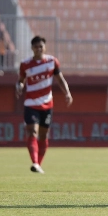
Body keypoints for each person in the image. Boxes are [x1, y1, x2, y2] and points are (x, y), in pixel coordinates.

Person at [16, 35, 73, 174]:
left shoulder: (52, 62)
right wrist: (19, 86)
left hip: (47, 104)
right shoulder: (25, 64)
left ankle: (38, 165)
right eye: (36, 47)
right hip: (31, 103)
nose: (38, 49)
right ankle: (35, 162)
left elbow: (60, 79)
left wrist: (67, 93)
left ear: (44, 47)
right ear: (32, 48)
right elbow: (20, 80)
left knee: (43, 135)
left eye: (41, 46)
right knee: (32, 131)